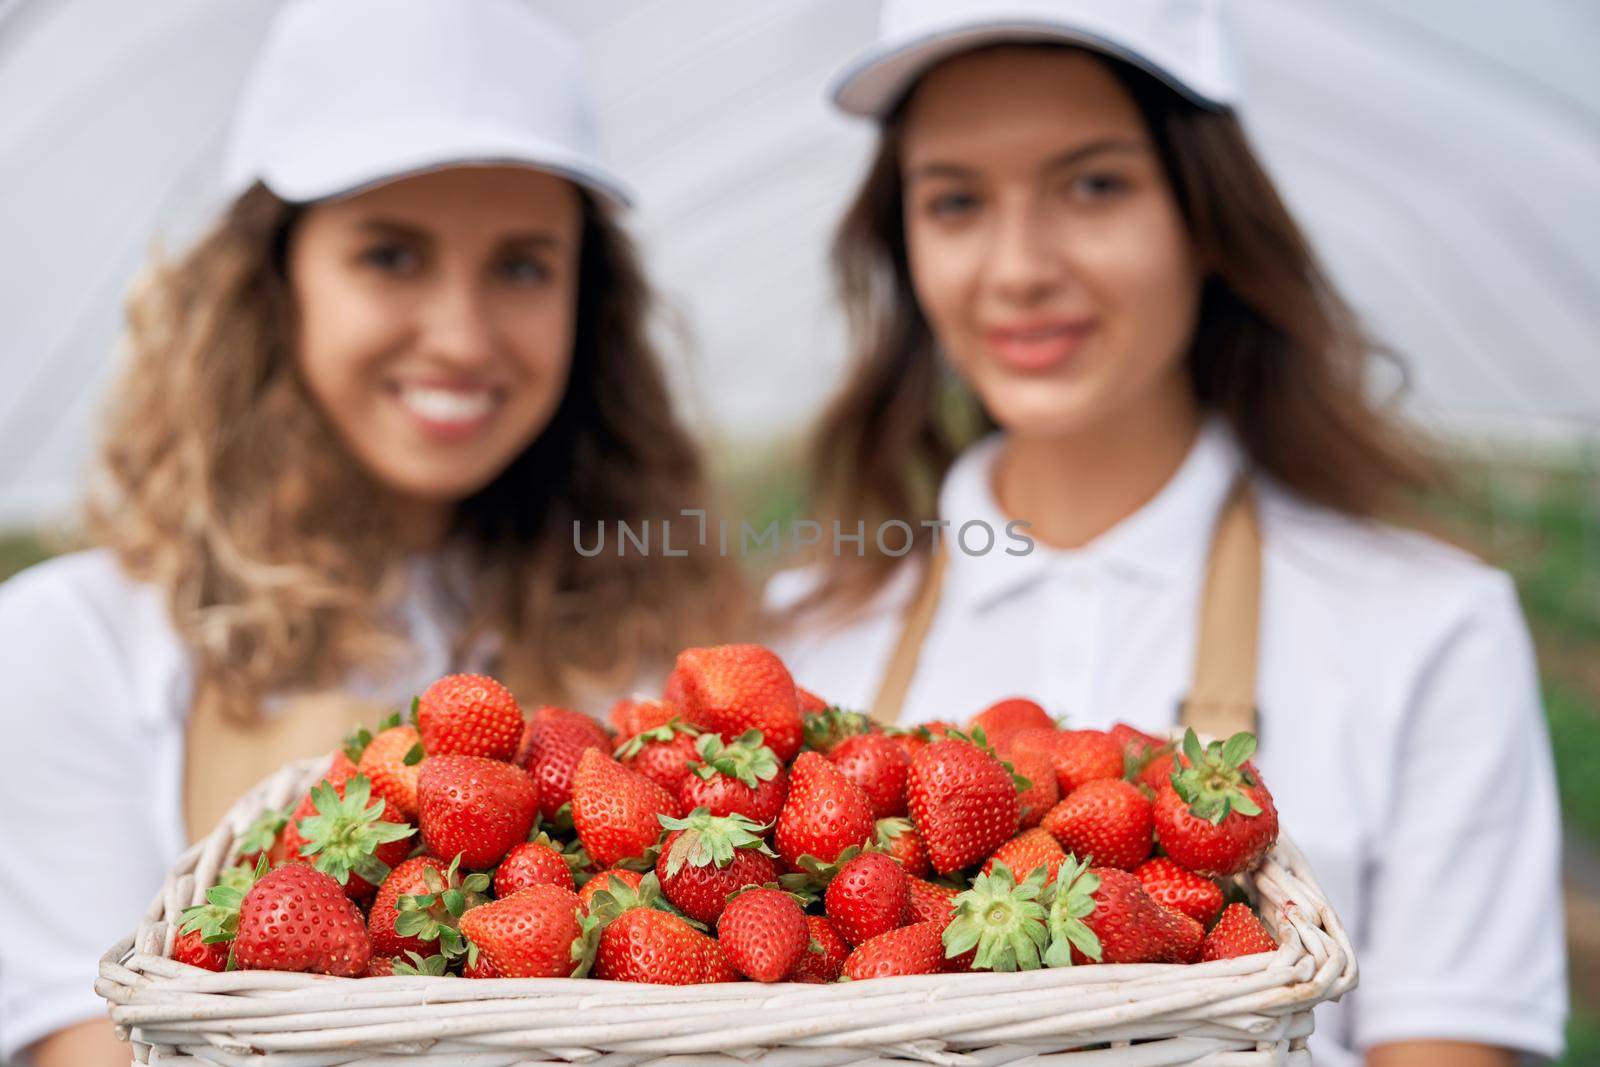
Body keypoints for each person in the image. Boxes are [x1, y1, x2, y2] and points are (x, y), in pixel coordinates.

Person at [768, 2, 1567, 1064]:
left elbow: (1449, 1042)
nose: (1017, 268)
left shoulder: (1424, 626)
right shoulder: (796, 643)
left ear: (1205, 213)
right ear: (903, 240)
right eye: (955, 200)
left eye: (1093, 184)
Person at [0, 2, 743, 1064]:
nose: (460, 334)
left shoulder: (659, 643)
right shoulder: (65, 646)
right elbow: (98, 1047)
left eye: (523, 266)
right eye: (391, 255)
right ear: (274, 280)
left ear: (591, 303)